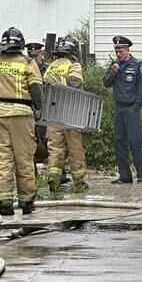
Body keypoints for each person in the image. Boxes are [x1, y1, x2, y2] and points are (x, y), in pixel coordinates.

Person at [0, 27, 43, 215]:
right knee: (24, 159)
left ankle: (4, 202)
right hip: (22, 114)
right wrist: (38, 107)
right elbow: (36, 89)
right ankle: (27, 203)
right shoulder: (27, 62)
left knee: (2, 160)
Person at [44, 36, 87, 192]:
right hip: (69, 112)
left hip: (51, 111)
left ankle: (53, 180)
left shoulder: (51, 66)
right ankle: (80, 181)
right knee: (75, 147)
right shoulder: (73, 65)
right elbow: (76, 85)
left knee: (55, 147)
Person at [103, 35, 142, 184]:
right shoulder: (114, 65)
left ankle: (140, 174)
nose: (118, 53)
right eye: (116, 50)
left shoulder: (137, 65)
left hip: (131, 109)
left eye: (120, 50)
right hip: (119, 108)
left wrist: (136, 108)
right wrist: (113, 72)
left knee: (134, 141)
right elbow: (106, 83)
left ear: (127, 49)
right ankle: (125, 175)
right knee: (119, 141)